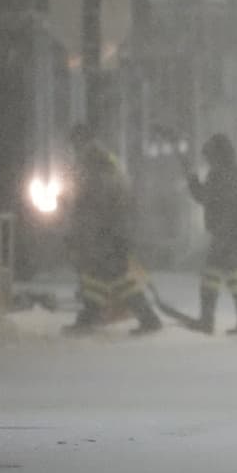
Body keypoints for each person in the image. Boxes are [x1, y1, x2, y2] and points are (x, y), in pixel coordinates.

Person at [63, 124, 162, 335]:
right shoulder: (99, 161)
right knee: (98, 274)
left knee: (114, 274)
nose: (73, 147)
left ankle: (148, 318)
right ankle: (91, 315)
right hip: (110, 229)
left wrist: (83, 215)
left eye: (75, 142)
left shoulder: (96, 162)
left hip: (108, 230)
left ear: (82, 141)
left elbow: (99, 199)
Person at [187, 134, 237, 334]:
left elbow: (205, 198)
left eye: (208, 157)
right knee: (233, 278)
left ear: (216, 155)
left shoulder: (218, 175)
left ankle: (208, 321)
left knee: (213, 276)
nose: (208, 161)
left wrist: (192, 181)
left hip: (225, 234)